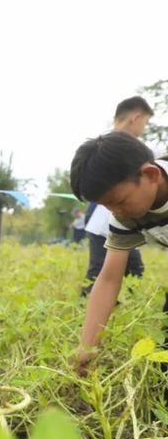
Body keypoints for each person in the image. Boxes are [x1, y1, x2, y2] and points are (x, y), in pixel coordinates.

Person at [69, 131, 168, 375]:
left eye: (120, 201)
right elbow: (110, 277)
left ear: (150, 175)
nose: (116, 212)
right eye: (106, 205)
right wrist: (87, 344)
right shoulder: (125, 215)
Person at [80, 97, 152, 295]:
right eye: (145, 122)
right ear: (135, 118)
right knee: (100, 269)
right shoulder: (112, 150)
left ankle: (119, 308)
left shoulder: (107, 147)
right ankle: (86, 309)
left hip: (117, 221)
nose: (143, 128)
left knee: (131, 268)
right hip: (103, 222)